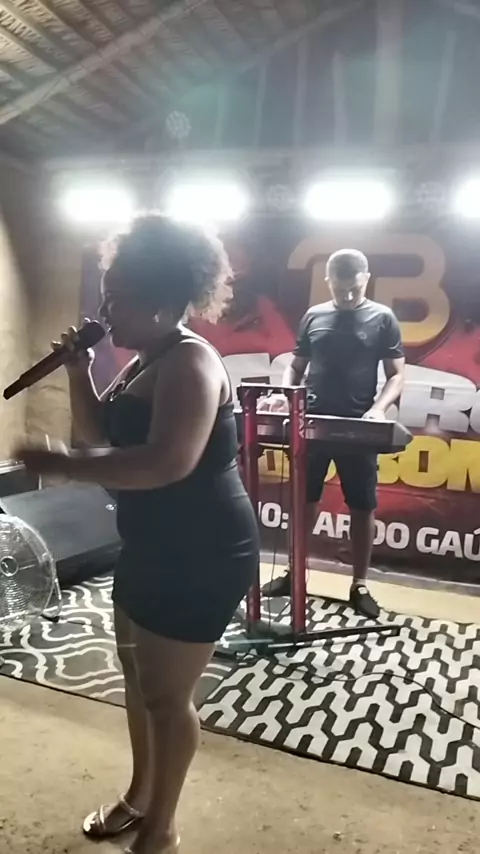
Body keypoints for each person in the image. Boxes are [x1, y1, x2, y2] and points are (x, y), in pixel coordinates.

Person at [17, 214, 260, 854]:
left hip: (201, 551)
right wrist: (79, 371)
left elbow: (166, 463)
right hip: (151, 541)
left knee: (167, 697)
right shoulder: (149, 356)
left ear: (159, 299)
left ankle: (163, 828)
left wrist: (66, 466)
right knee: (137, 675)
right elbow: (100, 436)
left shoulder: (190, 362)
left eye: (116, 296)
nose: (104, 310)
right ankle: (140, 795)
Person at [260, 249, 405, 618]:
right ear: (328, 282)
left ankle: (360, 584)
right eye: (341, 289)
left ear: (366, 279)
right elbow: (295, 367)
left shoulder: (382, 318)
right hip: (312, 424)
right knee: (303, 501)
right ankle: (294, 573)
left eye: (354, 288)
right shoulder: (314, 316)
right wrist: (286, 396)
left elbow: (397, 375)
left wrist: (378, 409)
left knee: (362, 505)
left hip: (358, 426)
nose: (348, 295)